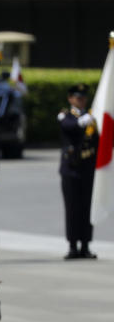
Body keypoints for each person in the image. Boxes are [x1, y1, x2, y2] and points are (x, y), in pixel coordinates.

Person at [58, 83, 99, 260]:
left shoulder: (92, 118)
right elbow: (68, 127)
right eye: (77, 97)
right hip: (71, 169)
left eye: (83, 97)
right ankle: (73, 245)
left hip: (88, 167)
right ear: (70, 99)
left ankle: (86, 245)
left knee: (87, 207)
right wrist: (82, 122)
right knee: (72, 207)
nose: (81, 100)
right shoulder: (65, 115)